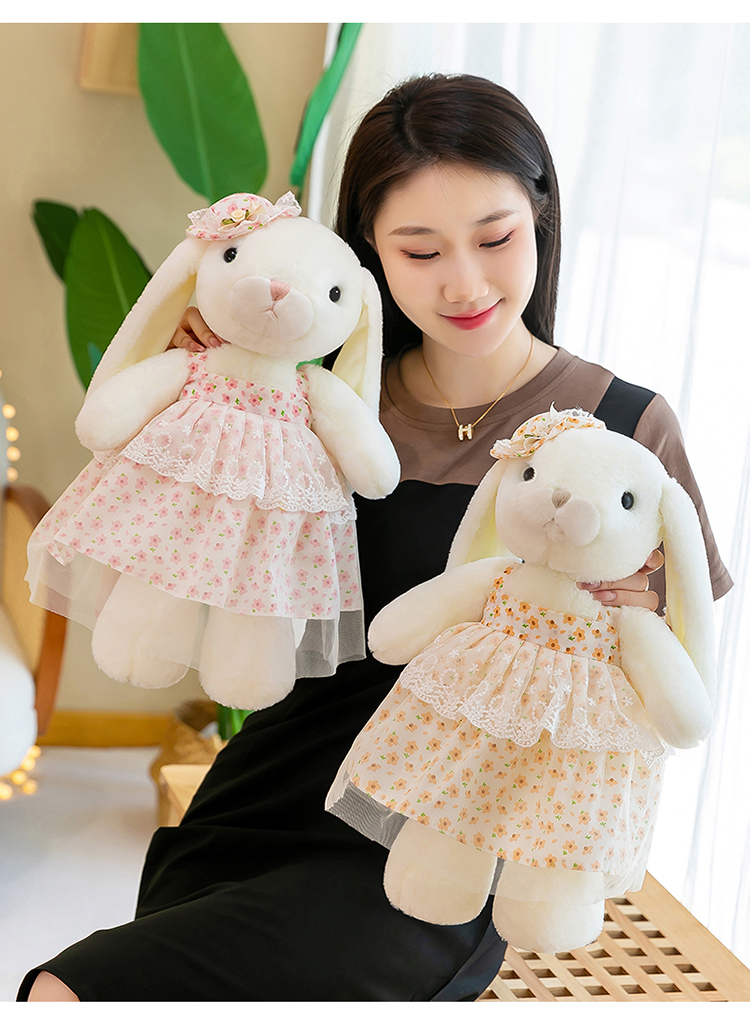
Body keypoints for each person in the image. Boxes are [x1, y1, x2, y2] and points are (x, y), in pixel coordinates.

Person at [21, 73, 731, 1002]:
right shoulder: (321, 400)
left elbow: (680, 674)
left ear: (541, 219)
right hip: (269, 792)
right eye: (420, 250)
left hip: (442, 836)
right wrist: (192, 374)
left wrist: (642, 614)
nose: (464, 282)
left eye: (495, 238)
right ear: (370, 257)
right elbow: (183, 551)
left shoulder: (624, 433)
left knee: (74, 992)